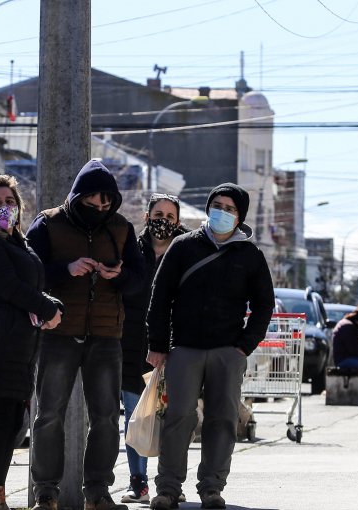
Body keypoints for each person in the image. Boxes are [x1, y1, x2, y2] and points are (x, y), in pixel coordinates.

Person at [146, 183, 275, 510]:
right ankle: (168, 489)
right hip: (184, 350)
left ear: (239, 216)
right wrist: (158, 344)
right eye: (217, 205)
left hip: (228, 352)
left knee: (223, 420)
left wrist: (243, 346)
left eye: (230, 209)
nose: (222, 212)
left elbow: (264, 305)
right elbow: (160, 297)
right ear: (208, 208)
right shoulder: (183, 246)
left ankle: (212, 489)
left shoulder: (251, 255)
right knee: (178, 419)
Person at [26, 160, 145, 510]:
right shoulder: (47, 224)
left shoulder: (122, 229)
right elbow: (29, 275)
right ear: (77, 198)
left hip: (107, 335)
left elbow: (140, 282)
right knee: (49, 414)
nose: (100, 210)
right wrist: (66, 269)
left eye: (106, 204)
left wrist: (117, 276)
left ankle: (98, 492)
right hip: (59, 332)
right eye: (92, 204)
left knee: (107, 416)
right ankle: (45, 493)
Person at [0, 175, 63, 510]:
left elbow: (27, 284)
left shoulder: (17, 243)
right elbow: (8, 287)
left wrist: (49, 303)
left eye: (9, 202)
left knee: (12, 423)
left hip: (18, 345)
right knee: (1, 422)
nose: (4, 207)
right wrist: (47, 307)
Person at [119, 193, 187, 505]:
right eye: (158, 214)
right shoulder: (131, 249)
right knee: (135, 417)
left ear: (178, 220)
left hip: (176, 348)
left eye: (170, 216)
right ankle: (138, 482)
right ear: (147, 217)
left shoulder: (188, 249)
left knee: (173, 419)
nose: (163, 221)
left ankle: (171, 483)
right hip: (134, 347)